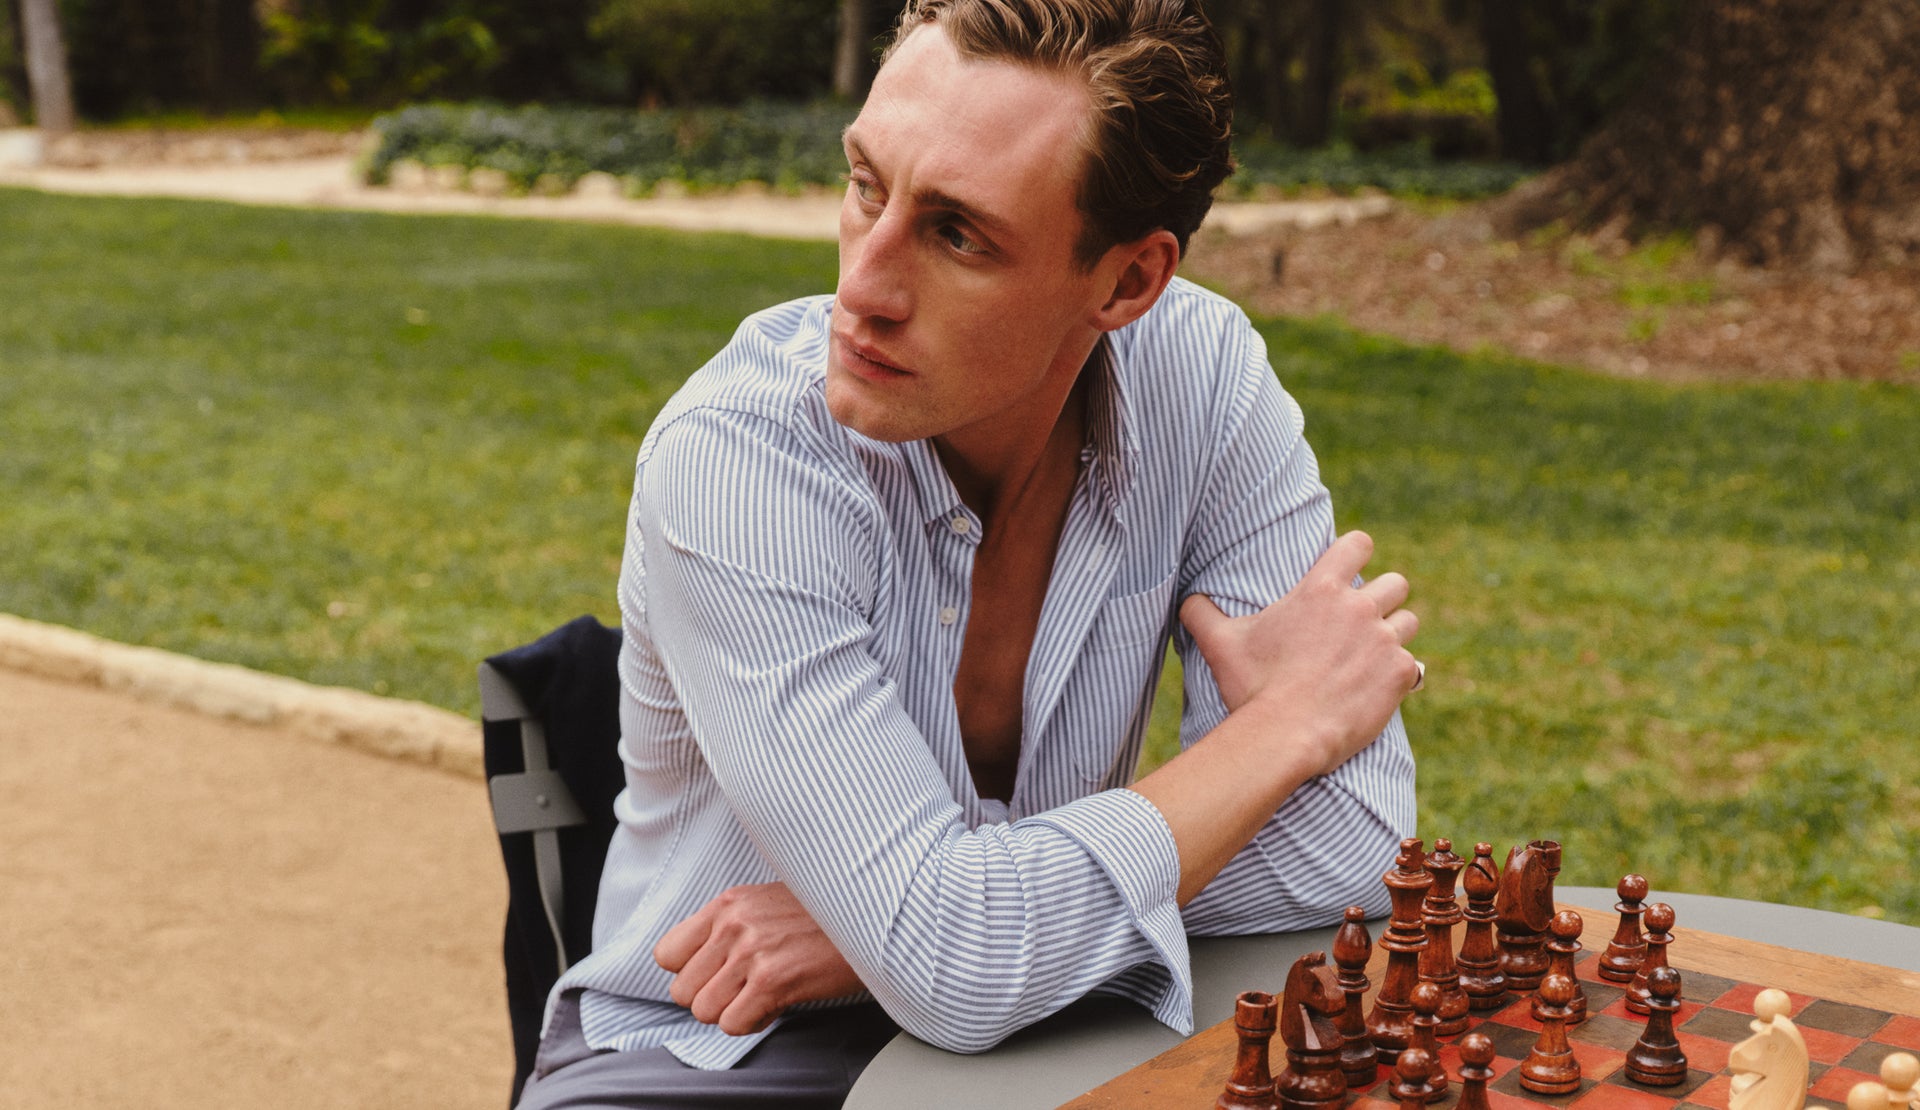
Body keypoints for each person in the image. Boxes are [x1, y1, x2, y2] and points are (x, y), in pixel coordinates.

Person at [516, 1, 1420, 1106]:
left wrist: (903, 927)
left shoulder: (1205, 379)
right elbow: (952, 962)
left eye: (957, 234)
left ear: (1128, 282)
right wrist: (1284, 731)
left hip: (1060, 1034)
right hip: (717, 1053)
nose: (863, 287)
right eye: (865, 187)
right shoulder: (739, 456)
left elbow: (1356, 848)